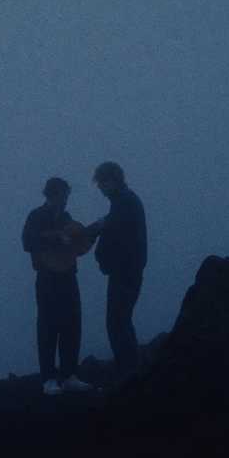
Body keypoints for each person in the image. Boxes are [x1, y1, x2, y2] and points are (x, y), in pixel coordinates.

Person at [21, 177, 95, 396]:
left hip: (68, 275)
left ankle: (70, 375)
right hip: (47, 277)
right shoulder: (36, 216)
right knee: (48, 326)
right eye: (63, 196)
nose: (65, 200)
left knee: (72, 324)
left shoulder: (66, 217)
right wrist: (56, 238)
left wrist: (88, 236)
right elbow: (28, 241)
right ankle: (49, 379)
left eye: (67, 196)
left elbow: (78, 243)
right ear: (52, 195)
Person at [85, 161, 147, 378]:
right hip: (127, 271)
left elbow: (114, 233)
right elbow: (108, 224)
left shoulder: (125, 203)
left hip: (125, 272)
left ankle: (128, 370)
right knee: (121, 320)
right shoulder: (124, 201)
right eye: (100, 183)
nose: (101, 188)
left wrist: (98, 246)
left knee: (117, 322)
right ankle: (130, 367)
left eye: (103, 182)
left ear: (114, 180)